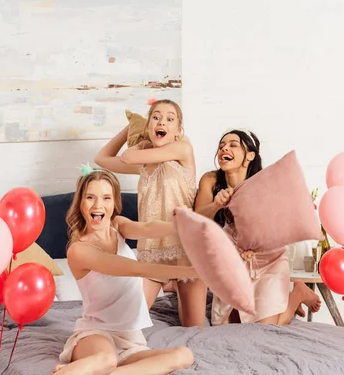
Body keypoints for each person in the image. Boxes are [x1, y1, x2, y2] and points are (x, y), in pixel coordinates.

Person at [53, 167, 195, 375]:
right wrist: (191, 270)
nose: (98, 205)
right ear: (81, 202)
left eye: (106, 198)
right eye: (90, 197)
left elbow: (147, 228)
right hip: (95, 333)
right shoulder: (79, 250)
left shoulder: (118, 226)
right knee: (106, 359)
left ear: (114, 203)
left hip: (129, 338)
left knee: (184, 355)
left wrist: (177, 225)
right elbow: (135, 269)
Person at [94, 99, 207, 328]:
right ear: (148, 126)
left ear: (178, 131)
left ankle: (174, 284)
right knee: (129, 323)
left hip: (186, 248)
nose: (161, 121)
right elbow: (101, 159)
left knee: (194, 328)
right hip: (154, 250)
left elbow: (129, 156)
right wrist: (130, 127)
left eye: (169, 118)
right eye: (155, 117)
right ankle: (168, 283)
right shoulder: (144, 165)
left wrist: (141, 140)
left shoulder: (182, 148)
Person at [194, 129, 321, 326]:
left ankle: (297, 294)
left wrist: (256, 246)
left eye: (233, 145)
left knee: (265, 327)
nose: (224, 148)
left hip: (268, 258)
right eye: (221, 146)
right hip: (233, 256)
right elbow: (196, 220)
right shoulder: (210, 181)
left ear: (250, 156)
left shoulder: (263, 184)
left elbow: (277, 225)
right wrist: (216, 205)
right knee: (224, 325)